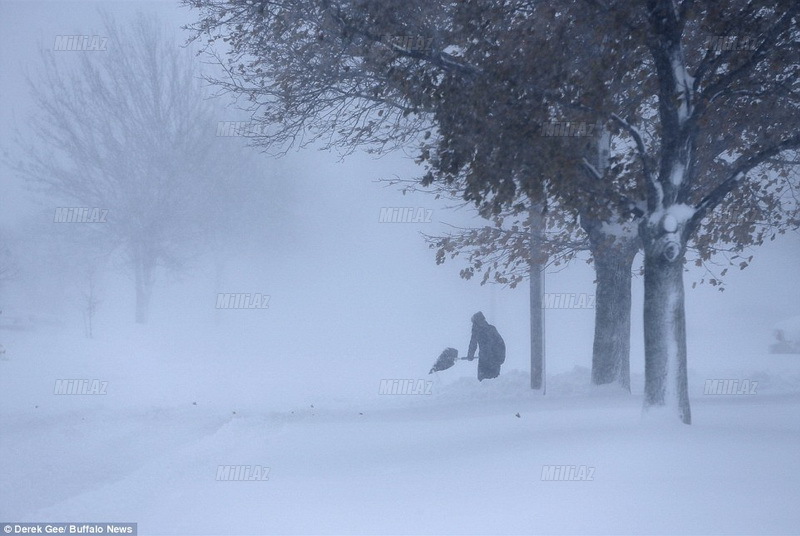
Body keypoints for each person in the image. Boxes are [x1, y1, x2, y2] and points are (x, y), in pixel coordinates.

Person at [466, 311, 505, 381]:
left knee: (484, 383)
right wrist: (500, 358)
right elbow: (501, 344)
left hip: (486, 361)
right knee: (494, 383)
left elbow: (473, 344)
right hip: (493, 360)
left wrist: (470, 356)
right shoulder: (491, 329)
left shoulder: (477, 331)